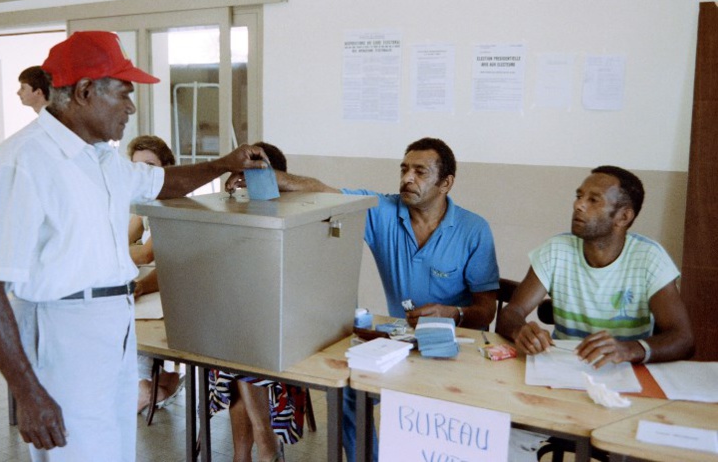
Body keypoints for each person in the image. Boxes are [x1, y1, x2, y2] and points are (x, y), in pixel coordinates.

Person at [0, 30, 269, 461]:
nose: (131, 107)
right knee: (78, 453)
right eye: (124, 94)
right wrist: (27, 391)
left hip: (115, 327)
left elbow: (163, 182)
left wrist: (225, 164)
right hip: (65, 331)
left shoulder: (100, 159)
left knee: (114, 450)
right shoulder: (20, 165)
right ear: (85, 91)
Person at [232, 137, 500, 462]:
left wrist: (452, 313)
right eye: (404, 169)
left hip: (458, 345)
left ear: (446, 183)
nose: (407, 179)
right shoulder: (384, 211)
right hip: (403, 339)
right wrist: (263, 176)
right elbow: (324, 192)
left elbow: (486, 310)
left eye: (420, 172)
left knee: (440, 419)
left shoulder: (473, 229)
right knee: (349, 392)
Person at [496, 165, 694, 368]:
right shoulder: (556, 250)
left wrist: (627, 349)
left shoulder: (649, 258)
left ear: (623, 217)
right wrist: (520, 330)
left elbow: (683, 339)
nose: (578, 205)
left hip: (626, 374)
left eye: (593, 200)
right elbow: (512, 312)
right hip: (562, 368)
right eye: (579, 196)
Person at [211, 141, 302, 462]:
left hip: (286, 328)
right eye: (236, 177)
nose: (238, 184)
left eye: (246, 177)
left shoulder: (296, 212)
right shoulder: (232, 210)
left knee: (242, 351)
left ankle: (260, 445)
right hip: (244, 327)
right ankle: (252, 451)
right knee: (236, 349)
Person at [125, 135, 184, 415]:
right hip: (153, 276)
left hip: (171, 282)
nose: (142, 173)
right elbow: (126, 237)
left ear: (166, 167)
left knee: (133, 317)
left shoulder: (171, 201)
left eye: (149, 165)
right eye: (136, 166)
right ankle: (150, 384)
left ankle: (149, 385)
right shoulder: (144, 199)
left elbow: (147, 254)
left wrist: (115, 252)